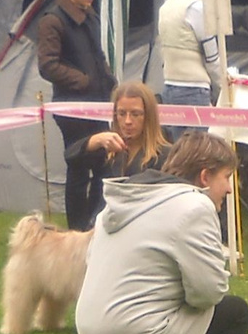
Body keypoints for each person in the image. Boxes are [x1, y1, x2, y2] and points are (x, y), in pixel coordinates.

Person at [71, 130, 248, 334]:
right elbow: (208, 293)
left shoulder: (120, 203)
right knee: (233, 313)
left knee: (177, 333)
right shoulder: (194, 206)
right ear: (205, 177)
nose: (230, 189)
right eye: (226, 177)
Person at [36, 0, 117, 230]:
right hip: (71, 107)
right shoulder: (52, 20)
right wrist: (81, 81)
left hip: (97, 103)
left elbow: (98, 56)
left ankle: (91, 223)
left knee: (103, 165)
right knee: (79, 167)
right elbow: (47, 65)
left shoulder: (90, 16)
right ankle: (78, 227)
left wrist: (110, 83)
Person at [64, 81, 171, 226]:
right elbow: (70, 158)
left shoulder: (164, 154)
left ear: (148, 116)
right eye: (121, 114)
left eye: (135, 114)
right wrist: (93, 141)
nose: (127, 121)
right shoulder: (108, 148)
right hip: (101, 225)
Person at [158, 0, 224, 140]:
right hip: (194, 90)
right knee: (199, 150)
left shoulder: (166, 6)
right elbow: (211, 57)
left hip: (169, 86)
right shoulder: (197, 7)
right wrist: (222, 88)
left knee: (179, 151)